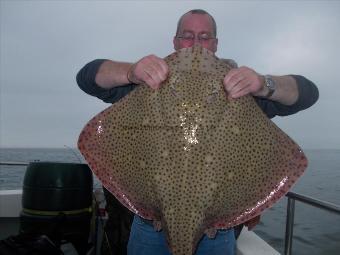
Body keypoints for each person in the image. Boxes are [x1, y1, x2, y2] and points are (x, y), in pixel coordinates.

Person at [77, 9, 319, 255]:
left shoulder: (241, 90)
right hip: (151, 224)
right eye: (187, 36)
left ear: (215, 44)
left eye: (204, 37)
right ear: (175, 41)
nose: (195, 45)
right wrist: (131, 72)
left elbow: (308, 94)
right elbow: (87, 77)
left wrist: (264, 83)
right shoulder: (148, 83)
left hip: (216, 231)